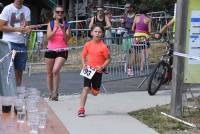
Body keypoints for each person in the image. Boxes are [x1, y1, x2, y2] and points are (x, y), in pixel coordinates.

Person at [78, 25, 111, 117]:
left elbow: (108, 59)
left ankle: (93, 89)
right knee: (85, 88)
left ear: (102, 34)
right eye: (95, 31)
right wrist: (84, 64)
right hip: (88, 69)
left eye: (99, 32)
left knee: (95, 93)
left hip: (98, 71)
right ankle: (81, 109)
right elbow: (83, 56)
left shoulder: (104, 47)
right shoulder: (88, 44)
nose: (97, 33)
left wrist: (102, 67)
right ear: (91, 33)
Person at [0, 0, 31, 86]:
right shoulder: (7, 9)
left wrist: (27, 30)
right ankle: (7, 95)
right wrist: (17, 29)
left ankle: (17, 94)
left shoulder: (27, 10)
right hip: (8, 43)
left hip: (21, 43)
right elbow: (1, 26)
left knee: (19, 72)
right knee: (7, 71)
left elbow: (26, 27)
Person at [45, 5, 71, 101]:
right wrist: (55, 29)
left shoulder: (67, 24)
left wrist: (63, 29)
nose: (60, 13)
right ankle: (51, 93)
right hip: (50, 49)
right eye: (58, 12)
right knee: (49, 73)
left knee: (55, 70)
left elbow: (67, 39)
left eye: (62, 12)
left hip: (62, 50)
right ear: (54, 14)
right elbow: (48, 37)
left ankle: (55, 92)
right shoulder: (50, 24)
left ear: (64, 14)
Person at [129, 5, 151, 75]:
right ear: (146, 12)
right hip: (144, 37)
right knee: (143, 54)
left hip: (136, 37)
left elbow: (132, 29)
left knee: (134, 53)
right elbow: (149, 30)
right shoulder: (148, 19)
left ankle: (130, 69)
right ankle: (141, 69)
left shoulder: (136, 18)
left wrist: (137, 30)